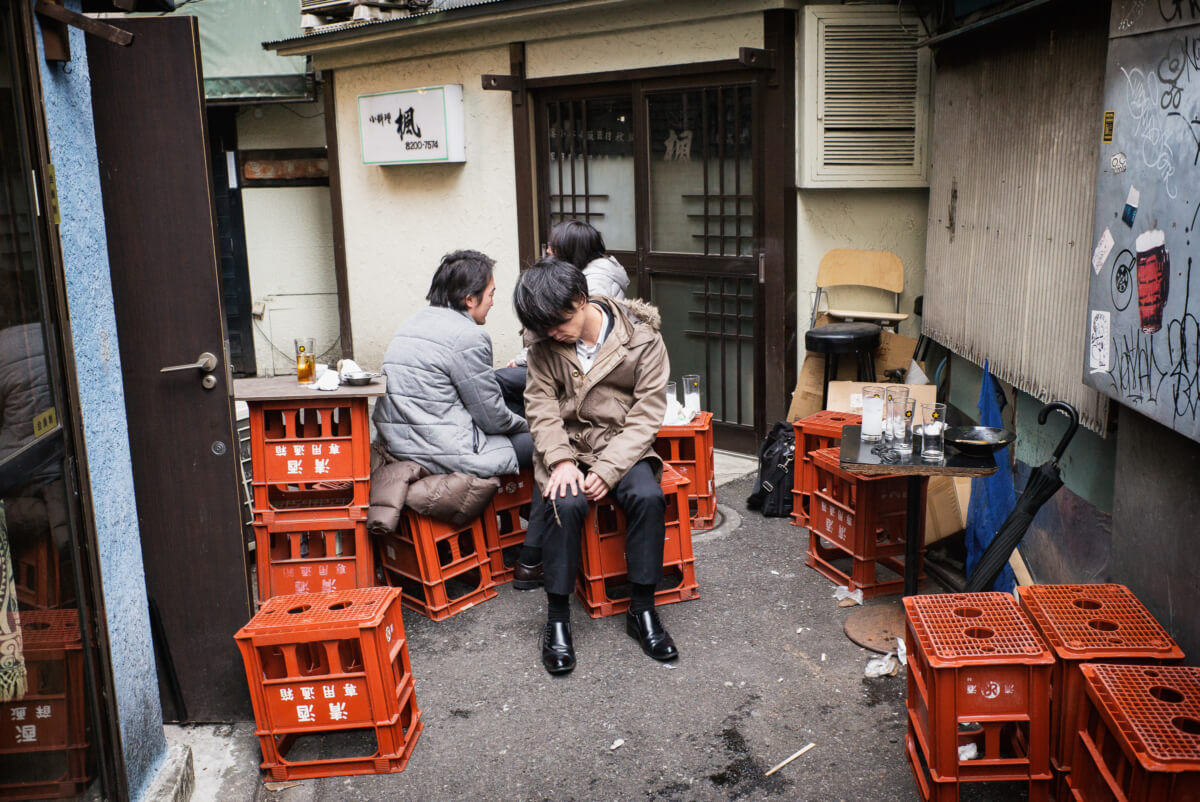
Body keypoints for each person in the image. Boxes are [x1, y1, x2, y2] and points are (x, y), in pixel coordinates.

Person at [513, 257, 678, 676]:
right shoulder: (543, 343)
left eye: (559, 322)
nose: (553, 333)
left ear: (582, 300)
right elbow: (541, 407)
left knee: (648, 497)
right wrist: (561, 460)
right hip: (565, 446)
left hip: (622, 444)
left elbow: (647, 414)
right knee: (563, 503)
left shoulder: (642, 339)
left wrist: (607, 470)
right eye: (543, 327)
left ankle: (642, 610)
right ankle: (556, 619)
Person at [373, 249, 533, 479]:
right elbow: (491, 418)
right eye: (491, 294)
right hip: (445, 453)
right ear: (469, 299)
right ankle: (538, 515)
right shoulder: (468, 337)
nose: (493, 302)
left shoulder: (411, 323)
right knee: (547, 442)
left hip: (399, 445)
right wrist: (530, 425)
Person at [546, 219, 629, 300]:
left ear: (572, 250)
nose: (548, 251)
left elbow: (596, 311)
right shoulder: (584, 269)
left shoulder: (596, 280)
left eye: (554, 247)